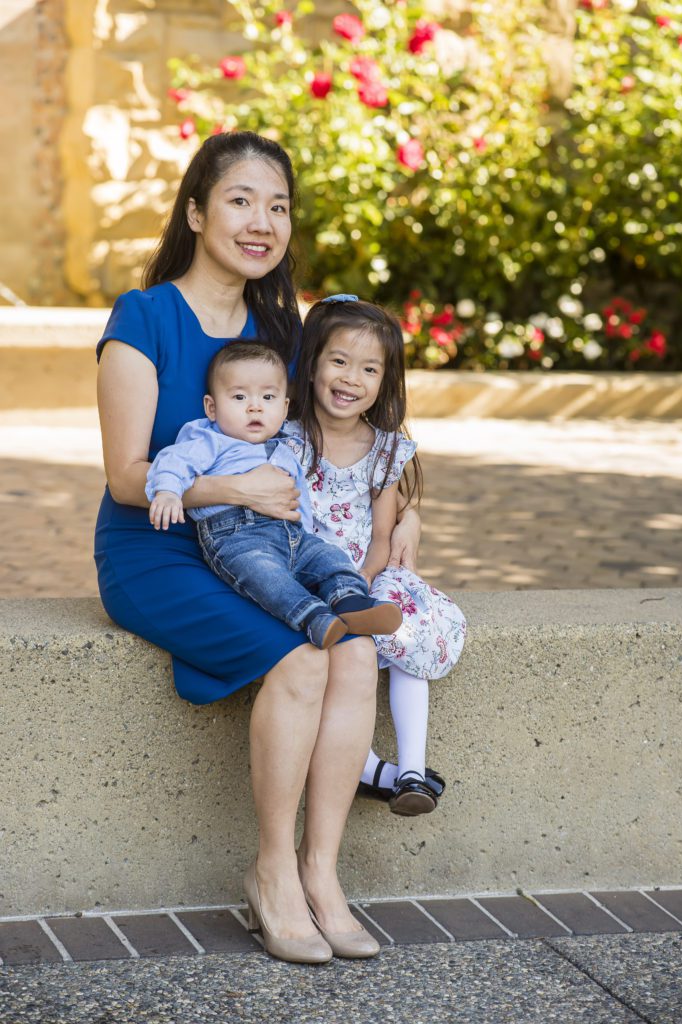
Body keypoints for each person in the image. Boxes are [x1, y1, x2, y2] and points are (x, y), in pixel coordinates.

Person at [95, 131, 420, 963]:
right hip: (158, 548)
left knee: (355, 648)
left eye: (277, 206)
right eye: (241, 200)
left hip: (270, 547)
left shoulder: (284, 323)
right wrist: (227, 489)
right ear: (197, 211)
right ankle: (271, 874)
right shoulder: (144, 317)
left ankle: (322, 873)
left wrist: (402, 508)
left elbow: (354, 413)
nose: (261, 221)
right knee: (307, 657)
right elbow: (130, 477)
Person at [285, 295, 467, 816]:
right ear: (313, 362)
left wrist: (360, 584)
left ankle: (411, 768)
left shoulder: (385, 450)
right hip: (303, 578)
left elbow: (383, 537)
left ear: (384, 381)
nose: (351, 379)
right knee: (329, 651)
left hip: (364, 574)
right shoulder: (286, 441)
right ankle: (366, 767)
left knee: (402, 624)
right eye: (338, 361)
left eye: (369, 368)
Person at [145, 340, 402, 649]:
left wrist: (305, 535)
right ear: (211, 407)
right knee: (266, 577)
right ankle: (312, 616)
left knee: (330, 557)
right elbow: (174, 460)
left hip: (291, 535)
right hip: (236, 537)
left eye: (268, 397)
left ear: (283, 408)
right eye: (239, 397)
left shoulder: (284, 447)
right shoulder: (209, 438)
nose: (255, 406)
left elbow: (298, 498)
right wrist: (169, 491)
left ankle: (349, 599)